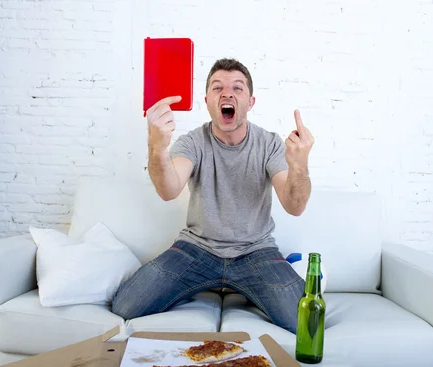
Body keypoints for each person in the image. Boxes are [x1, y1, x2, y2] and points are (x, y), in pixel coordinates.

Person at [111, 58, 314, 334]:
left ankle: (268, 278)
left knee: (306, 323)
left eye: (237, 88)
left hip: (255, 251)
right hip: (197, 250)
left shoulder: (269, 144)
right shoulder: (193, 142)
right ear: (207, 101)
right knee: (126, 306)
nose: (227, 93)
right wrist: (157, 147)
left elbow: (295, 207)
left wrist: (299, 164)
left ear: (250, 102)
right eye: (218, 88)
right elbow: (168, 190)